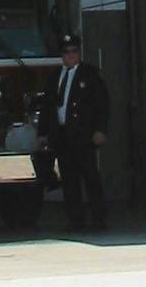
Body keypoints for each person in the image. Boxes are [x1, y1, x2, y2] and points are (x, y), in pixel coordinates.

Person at [43, 34, 109, 232]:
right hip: (62, 135)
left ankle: (99, 220)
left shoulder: (90, 74)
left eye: (74, 51)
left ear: (79, 53)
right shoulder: (55, 76)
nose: (70, 55)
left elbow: (102, 105)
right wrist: (43, 133)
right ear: (61, 55)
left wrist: (100, 130)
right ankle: (76, 221)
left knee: (90, 178)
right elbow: (48, 106)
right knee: (69, 181)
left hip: (83, 135)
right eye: (66, 52)